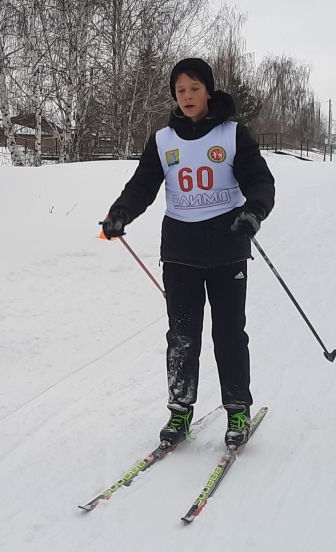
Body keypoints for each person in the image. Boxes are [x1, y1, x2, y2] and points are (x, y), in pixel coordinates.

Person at [101, 58, 275, 447]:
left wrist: (253, 212)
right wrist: (120, 212)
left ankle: (237, 411)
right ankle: (180, 414)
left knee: (229, 334)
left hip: (228, 248)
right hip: (180, 252)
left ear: (208, 91)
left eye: (195, 88)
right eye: (180, 90)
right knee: (182, 336)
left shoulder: (232, 134)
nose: (188, 96)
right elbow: (142, 184)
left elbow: (260, 180)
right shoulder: (164, 140)